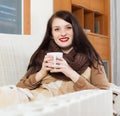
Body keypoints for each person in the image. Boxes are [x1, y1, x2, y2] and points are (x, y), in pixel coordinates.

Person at [0, 10, 110, 109]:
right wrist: (42, 72)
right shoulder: (42, 56)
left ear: (75, 31)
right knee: (6, 93)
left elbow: (104, 95)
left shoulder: (91, 57)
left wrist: (70, 72)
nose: (63, 33)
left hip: (64, 106)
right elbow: (20, 87)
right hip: (34, 102)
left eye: (68, 27)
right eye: (57, 29)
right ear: (51, 35)